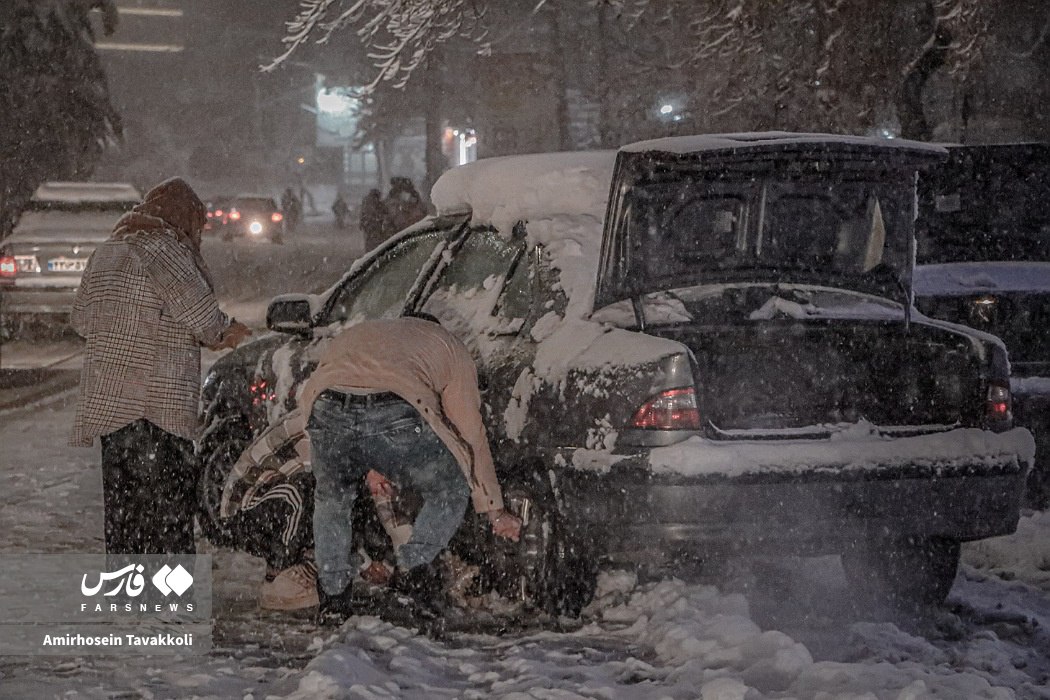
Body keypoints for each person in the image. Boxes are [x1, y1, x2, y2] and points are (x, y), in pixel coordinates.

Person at [299, 314, 522, 626]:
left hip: (326, 409)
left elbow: (333, 393)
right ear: (435, 326)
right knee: (450, 487)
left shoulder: (362, 331)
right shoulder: (448, 345)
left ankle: (334, 599)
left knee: (332, 500)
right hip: (395, 412)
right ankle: (414, 573)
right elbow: (470, 434)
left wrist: (365, 459)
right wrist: (493, 508)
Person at [70, 177, 252, 555]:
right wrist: (232, 332)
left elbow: (80, 320)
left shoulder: (107, 250)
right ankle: (169, 598)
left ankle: (126, 591)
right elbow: (203, 318)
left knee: (123, 511)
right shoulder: (165, 249)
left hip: (112, 407)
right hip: (156, 407)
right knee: (167, 511)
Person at [216, 408, 409, 611]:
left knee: (352, 504)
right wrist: (365, 564)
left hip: (282, 501)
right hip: (244, 510)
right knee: (313, 494)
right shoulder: (329, 437)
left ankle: (306, 565)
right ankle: (280, 575)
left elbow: (386, 508)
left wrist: (402, 561)